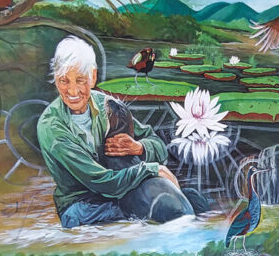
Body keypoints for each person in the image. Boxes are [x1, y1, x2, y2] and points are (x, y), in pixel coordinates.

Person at [37, 36, 193, 228]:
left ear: (93, 77)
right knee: (149, 218)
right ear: (55, 80)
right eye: (64, 81)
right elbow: (99, 180)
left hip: (120, 192)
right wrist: (152, 169)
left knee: (188, 201)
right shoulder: (52, 126)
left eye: (80, 80)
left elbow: (159, 147)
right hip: (82, 204)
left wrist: (139, 147)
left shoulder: (107, 106)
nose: (73, 91)